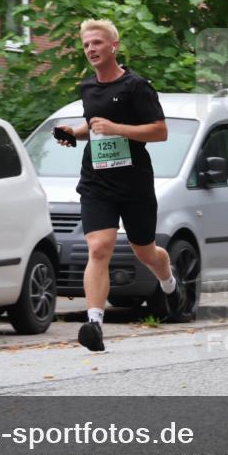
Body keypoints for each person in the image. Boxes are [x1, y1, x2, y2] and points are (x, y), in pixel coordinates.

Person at [54, 19, 185, 352]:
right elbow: (94, 125)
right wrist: (75, 132)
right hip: (97, 180)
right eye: (86, 45)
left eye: (97, 43)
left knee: (146, 252)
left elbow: (159, 131)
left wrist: (117, 128)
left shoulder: (136, 87)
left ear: (114, 46)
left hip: (134, 183)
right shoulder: (88, 89)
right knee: (99, 247)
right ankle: (94, 324)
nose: (91, 50)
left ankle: (169, 282)